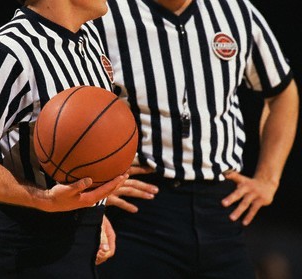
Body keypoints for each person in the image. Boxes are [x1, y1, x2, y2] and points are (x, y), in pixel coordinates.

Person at [94, 0, 299, 278]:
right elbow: (71, 107)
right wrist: (93, 187)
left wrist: (268, 178)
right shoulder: (104, 14)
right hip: (140, 209)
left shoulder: (236, 11)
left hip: (221, 208)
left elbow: (282, 92)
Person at [0, 0, 128, 278]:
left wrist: (92, 212)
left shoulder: (89, 42)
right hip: (27, 248)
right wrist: (44, 199)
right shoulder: (8, 52)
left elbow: (75, 153)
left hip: (80, 241)